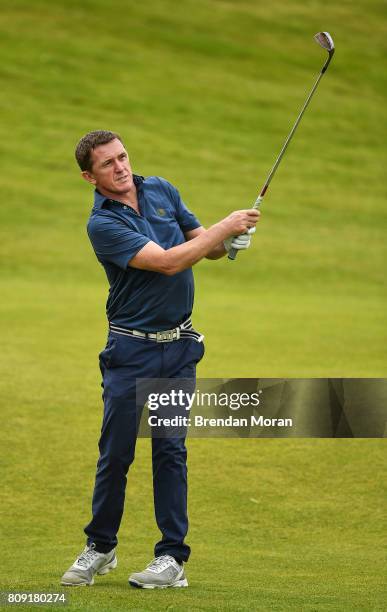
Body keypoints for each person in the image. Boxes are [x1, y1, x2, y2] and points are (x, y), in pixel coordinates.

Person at [61, 130, 259, 589]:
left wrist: (227, 243)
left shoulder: (162, 190)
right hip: (130, 351)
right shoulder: (102, 224)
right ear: (90, 177)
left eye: (123, 156)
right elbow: (169, 261)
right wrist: (225, 227)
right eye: (108, 164)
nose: (121, 167)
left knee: (170, 450)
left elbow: (201, 247)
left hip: (178, 350)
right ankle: (101, 546)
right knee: (116, 453)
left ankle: (171, 558)